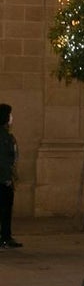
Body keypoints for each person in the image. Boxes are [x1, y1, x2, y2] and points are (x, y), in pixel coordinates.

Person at [0, 103, 20, 249]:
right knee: (4, 209)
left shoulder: (6, 135)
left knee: (7, 209)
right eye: (9, 114)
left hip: (5, 178)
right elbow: (3, 159)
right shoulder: (2, 136)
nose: (11, 117)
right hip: (2, 179)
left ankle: (6, 236)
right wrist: (7, 177)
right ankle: (4, 237)